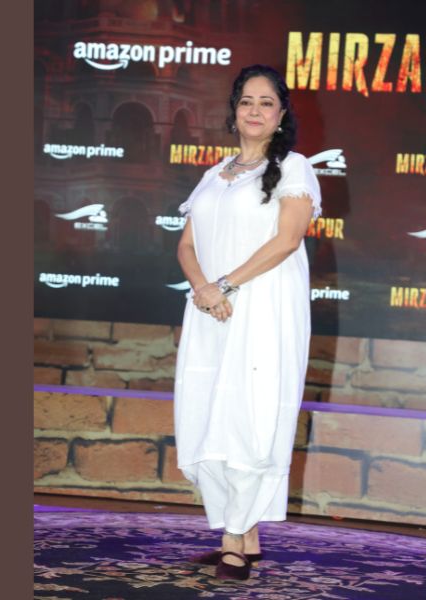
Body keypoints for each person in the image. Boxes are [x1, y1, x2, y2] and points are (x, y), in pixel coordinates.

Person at [174, 64, 321, 581]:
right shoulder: (214, 174)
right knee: (209, 412)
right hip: (211, 312)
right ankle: (243, 532)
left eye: (266, 102)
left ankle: (234, 539)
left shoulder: (295, 167)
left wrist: (225, 285)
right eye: (246, 101)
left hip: (262, 310)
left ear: (281, 115)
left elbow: (287, 240)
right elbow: (186, 245)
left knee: (250, 417)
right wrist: (204, 289)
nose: (255, 111)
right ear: (234, 112)